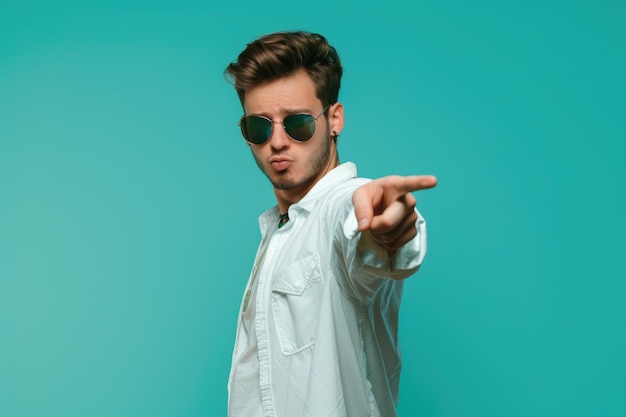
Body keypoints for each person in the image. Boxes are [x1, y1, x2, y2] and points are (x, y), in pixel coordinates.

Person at [224, 31, 437, 417]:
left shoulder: (342, 206)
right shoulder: (279, 231)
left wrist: (389, 230)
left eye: (298, 123)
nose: (277, 141)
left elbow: (366, 235)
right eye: (259, 127)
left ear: (334, 119)